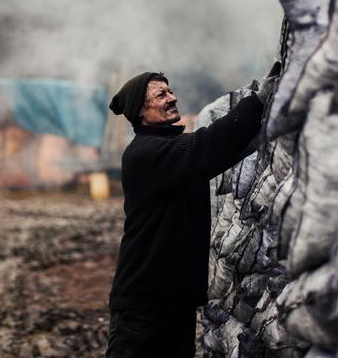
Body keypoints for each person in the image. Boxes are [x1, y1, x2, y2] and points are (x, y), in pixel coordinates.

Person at [106, 71, 275, 358]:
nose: (172, 97)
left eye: (170, 91)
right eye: (161, 95)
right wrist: (256, 102)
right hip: (144, 306)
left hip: (173, 303)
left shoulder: (168, 150)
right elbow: (206, 146)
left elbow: (221, 152)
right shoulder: (145, 153)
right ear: (140, 112)